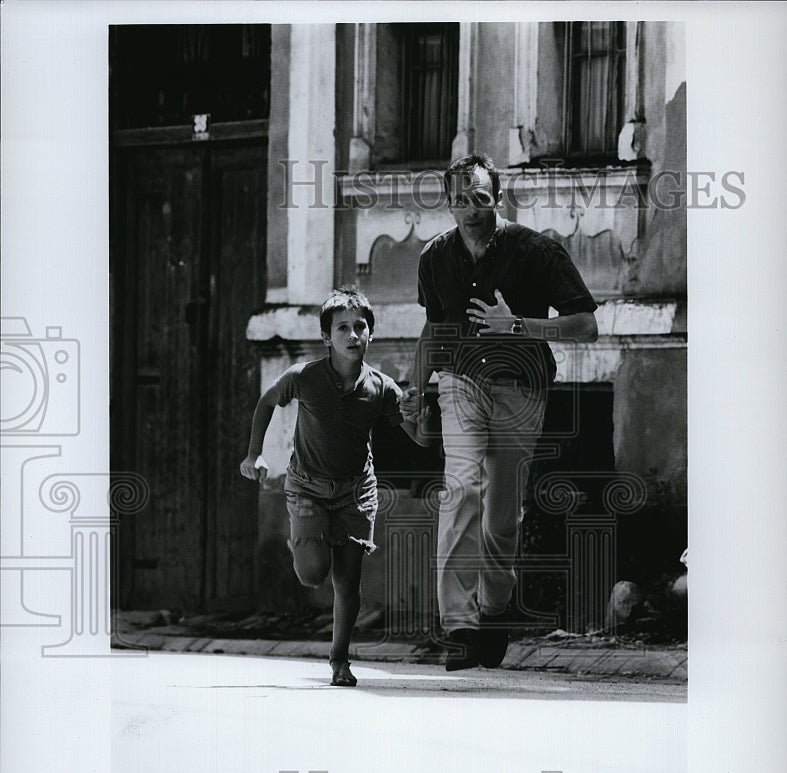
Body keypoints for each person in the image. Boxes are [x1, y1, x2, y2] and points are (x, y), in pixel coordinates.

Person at [400, 153, 598, 671]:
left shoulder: (535, 251)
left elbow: (584, 325)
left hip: (521, 390)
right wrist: (416, 388)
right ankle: (460, 626)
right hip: (461, 383)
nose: (471, 210)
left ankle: (494, 609)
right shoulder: (435, 257)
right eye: (461, 201)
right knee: (462, 487)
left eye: (481, 200)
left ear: (498, 199)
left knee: (501, 515)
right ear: (448, 202)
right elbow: (435, 328)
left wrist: (518, 326)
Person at [241, 287, 429, 687]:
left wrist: (420, 413)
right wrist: (255, 453)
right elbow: (267, 401)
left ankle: (339, 662)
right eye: (342, 328)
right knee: (312, 573)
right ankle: (306, 537)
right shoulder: (304, 378)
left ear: (370, 334)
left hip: (356, 491)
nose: (352, 334)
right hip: (307, 486)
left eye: (360, 327)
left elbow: (419, 437)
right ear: (327, 337)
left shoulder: (382, 387)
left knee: (347, 580)